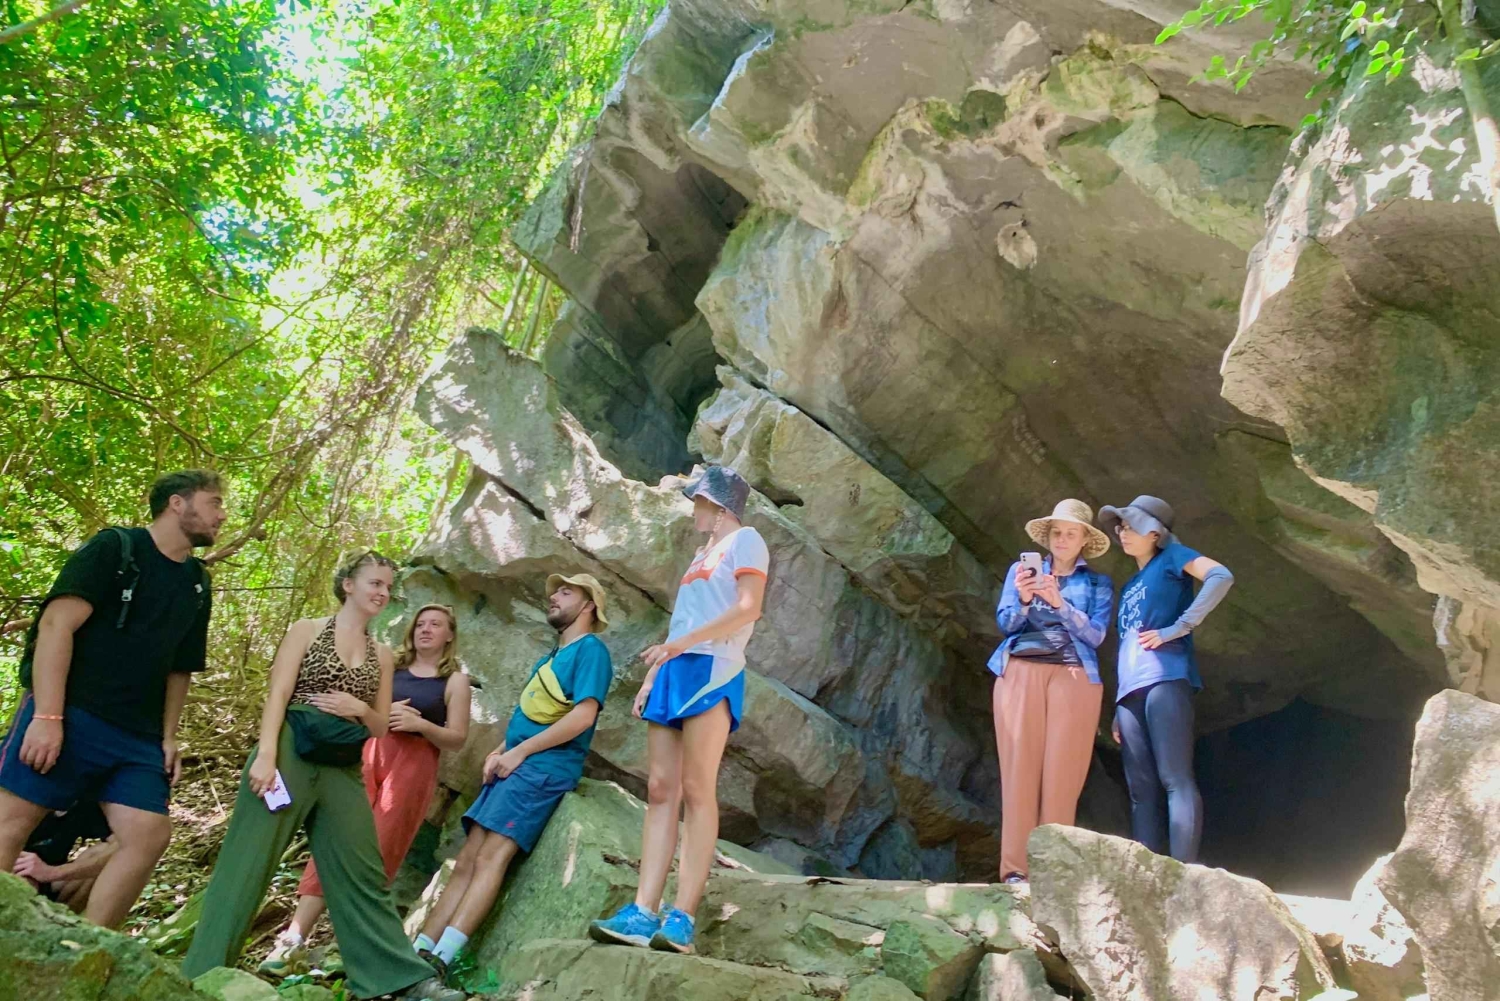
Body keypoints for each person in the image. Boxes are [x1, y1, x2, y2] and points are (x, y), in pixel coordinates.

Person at [181, 552, 460, 1001]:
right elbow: (278, 693)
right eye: (374, 583)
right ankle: (199, 976)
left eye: (388, 587)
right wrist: (266, 755)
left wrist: (360, 708)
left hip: (344, 765)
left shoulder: (381, 655)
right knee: (246, 863)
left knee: (362, 870)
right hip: (289, 752)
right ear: (348, 584)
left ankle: (399, 979)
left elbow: (379, 726)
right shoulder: (307, 630)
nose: (382, 592)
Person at [0, 469, 226, 927]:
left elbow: (180, 668)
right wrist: (47, 716)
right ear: (177, 504)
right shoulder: (116, 549)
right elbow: (55, 625)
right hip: (73, 714)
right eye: (214, 503)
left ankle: (94, 950)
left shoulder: (198, 583)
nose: (222, 515)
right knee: (11, 822)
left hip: (138, 736)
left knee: (147, 834)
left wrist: (168, 737)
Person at [590, 465, 768, 955]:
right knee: (660, 788)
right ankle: (642, 911)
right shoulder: (699, 555)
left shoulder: (747, 541)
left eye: (700, 502)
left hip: (714, 667)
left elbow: (748, 607)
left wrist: (683, 645)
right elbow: (683, 620)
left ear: (720, 506)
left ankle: (682, 917)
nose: (695, 510)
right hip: (674, 668)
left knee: (696, 788)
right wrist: (654, 674)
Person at [413, 574, 613, 981]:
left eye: (566, 592)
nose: (554, 597)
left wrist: (520, 752)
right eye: (554, 591)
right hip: (516, 764)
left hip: (543, 768)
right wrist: (501, 749)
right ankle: (417, 951)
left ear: (589, 605)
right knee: (467, 859)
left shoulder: (591, 650)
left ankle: (442, 958)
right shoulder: (550, 658)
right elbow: (532, 715)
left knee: (491, 857)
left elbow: (583, 716)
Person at [260, 604, 472, 977]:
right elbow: (359, 705)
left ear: (450, 635)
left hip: (413, 767)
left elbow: (456, 738)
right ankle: (293, 939)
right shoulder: (392, 665)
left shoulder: (455, 681)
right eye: (420, 624)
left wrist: (421, 724)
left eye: (436, 624)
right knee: (335, 837)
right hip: (368, 754)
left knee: (379, 850)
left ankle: (346, 948)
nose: (425, 629)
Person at [1098, 495, 1234, 864]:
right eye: (1121, 527)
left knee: (1174, 777)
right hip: (1130, 693)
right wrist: (1118, 704)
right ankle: (1147, 871)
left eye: (1131, 526)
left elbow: (1220, 576)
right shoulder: (1129, 586)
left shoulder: (1173, 556)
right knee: (1140, 790)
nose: (1123, 533)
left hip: (1165, 678)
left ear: (1155, 533)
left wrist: (1179, 627)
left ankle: (1183, 870)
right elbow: (1126, 644)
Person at [989, 499, 1114, 884]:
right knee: (1019, 770)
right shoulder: (1021, 572)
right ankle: (1016, 871)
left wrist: (1060, 605)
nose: (1062, 539)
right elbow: (1006, 623)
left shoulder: (1098, 584)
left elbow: (1096, 635)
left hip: (1073, 674)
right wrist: (1026, 599)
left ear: (1084, 540)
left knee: (1063, 774)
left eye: (1070, 533)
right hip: (1019, 669)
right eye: (1057, 532)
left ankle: (1052, 873)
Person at [13, 801, 117, 912]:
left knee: (106, 853)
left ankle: (64, 917)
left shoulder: (87, 806)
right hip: (17, 870)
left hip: (54, 879)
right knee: (23, 884)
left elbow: (122, 843)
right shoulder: (24, 801)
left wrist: (52, 873)